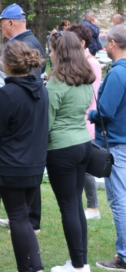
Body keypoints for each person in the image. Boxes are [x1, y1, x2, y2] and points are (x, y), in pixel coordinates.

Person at [0, 40, 48, 272]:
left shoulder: (8, 93)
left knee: (19, 218)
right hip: (33, 163)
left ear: (8, 64)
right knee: (22, 218)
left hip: (12, 165)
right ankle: (36, 266)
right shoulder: (41, 89)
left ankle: (28, 268)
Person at [0, 3, 45, 234]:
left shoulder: (25, 44)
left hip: (19, 118)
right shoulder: (29, 41)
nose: (1, 29)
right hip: (21, 116)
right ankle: (22, 217)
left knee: (25, 173)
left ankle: (29, 220)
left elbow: (27, 85)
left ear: (11, 23)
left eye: (2, 24)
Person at [46, 31, 95, 272]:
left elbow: (46, 122)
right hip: (83, 144)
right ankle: (80, 261)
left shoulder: (57, 82)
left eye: (52, 50)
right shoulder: (85, 78)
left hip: (62, 148)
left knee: (69, 206)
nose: (50, 54)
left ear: (60, 52)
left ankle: (77, 266)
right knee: (75, 204)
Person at [89, 24, 126, 271]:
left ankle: (124, 256)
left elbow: (105, 112)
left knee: (119, 199)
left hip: (116, 144)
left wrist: (90, 113)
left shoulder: (117, 73)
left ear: (112, 43)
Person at [68, 24, 102, 221]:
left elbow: (90, 95)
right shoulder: (81, 62)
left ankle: (93, 206)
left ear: (82, 43)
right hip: (79, 117)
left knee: (85, 166)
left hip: (86, 118)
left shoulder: (92, 64)